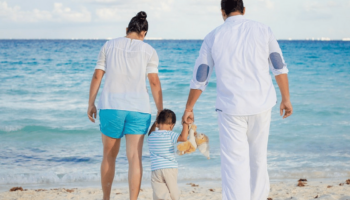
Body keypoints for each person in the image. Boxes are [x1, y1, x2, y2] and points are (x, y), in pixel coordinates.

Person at [181, 0, 293, 199]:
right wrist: (286, 98)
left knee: (234, 163)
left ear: (222, 12)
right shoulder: (263, 30)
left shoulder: (213, 36)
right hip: (261, 105)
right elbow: (278, 65)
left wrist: (189, 107)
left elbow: (201, 76)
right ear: (244, 10)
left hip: (230, 109)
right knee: (258, 158)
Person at [87, 11, 163, 200]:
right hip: (139, 109)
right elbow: (154, 82)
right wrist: (160, 110)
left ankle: (106, 198)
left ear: (127, 29)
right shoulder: (149, 51)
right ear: (143, 33)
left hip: (111, 106)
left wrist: (91, 103)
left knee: (109, 156)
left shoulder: (109, 45)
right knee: (135, 158)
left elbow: (98, 75)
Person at [147, 109, 189, 200]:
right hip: (170, 168)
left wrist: (155, 123)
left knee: (159, 195)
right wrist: (185, 124)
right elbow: (184, 138)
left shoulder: (151, 136)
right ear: (172, 125)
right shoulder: (170, 134)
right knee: (173, 192)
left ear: (157, 122)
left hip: (156, 169)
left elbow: (150, 132)